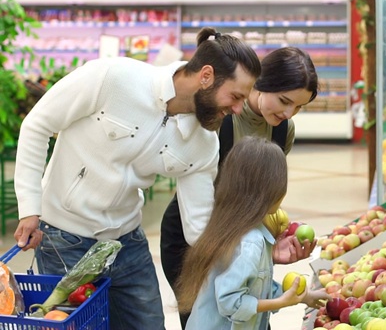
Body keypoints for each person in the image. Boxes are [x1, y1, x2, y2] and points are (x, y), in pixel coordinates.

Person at [12, 27, 261, 330]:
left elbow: (198, 226)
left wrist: (251, 251)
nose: (237, 109)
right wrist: (29, 206)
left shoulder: (204, 143)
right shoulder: (113, 78)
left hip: (127, 242)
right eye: (235, 96)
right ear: (206, 76)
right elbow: (37, 125)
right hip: (64, 239)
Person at [160, 47, 319, 327]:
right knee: (210, 319)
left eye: (299, 107)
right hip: (192, 235)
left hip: (236, 238)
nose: (289, 112)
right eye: (284, 100)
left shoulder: (284, 130)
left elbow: (258, 193)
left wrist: (268, 246)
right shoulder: (221, 117)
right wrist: (251, 250)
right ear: (259, 82)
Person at [175, 136, 330, 330]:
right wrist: (281, 302)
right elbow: (231, 303)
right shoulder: (251, 241)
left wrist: (302, 296)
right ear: (270, 189)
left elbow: (256, 287)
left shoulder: (235, 227)